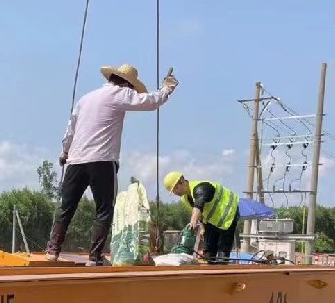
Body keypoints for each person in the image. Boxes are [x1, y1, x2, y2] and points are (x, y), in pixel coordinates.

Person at [46, 64, 179, 265]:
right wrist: (167, 89)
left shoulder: (85, 99)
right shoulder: (120, 94)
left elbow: (70, 130)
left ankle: (52, 251)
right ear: (128, 84)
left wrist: (65, 151)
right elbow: (151, 102)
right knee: (104, 209)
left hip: (76, 160)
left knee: (66, 207)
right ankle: (94, 257)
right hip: (102, 160)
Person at [163, 173, 240, 264]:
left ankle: (222, 267)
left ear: (182, 181)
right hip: (213, 220)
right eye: (173, 191)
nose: (175, 193)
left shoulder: (201, 188)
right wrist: (202, 227)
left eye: (175, 188)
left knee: (223, 250)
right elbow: (200, 213)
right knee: (209, 251)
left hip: (228, 214)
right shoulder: (185, 198)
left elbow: (198, 206)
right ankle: (210, 269)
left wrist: (193, 223)